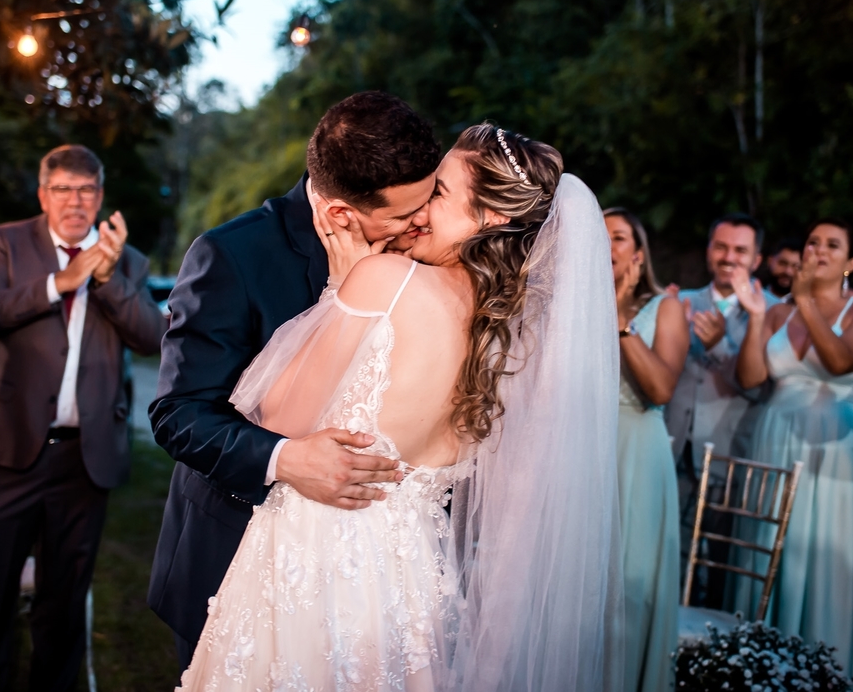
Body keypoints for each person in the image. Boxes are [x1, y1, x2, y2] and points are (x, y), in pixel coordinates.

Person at [179, 124, 623, 691]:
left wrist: (339, 295)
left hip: (316, 563)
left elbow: (274, 420)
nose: (419, 211)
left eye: (438, 193)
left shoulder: (384, 281)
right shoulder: (514, 344)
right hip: (411, 584)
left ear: (490, 216)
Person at [148, 91, 439, 670]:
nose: (423, 220)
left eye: (429, 200)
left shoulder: (422, 254)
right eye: (406, 214)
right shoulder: (233, 256)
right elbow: (179, 413)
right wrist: (285, 458)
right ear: (341, 214)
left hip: (361, 569)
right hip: (236, 550)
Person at [0, 145, 166, 692]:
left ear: (100, 197)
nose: (75, 201)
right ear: (43, 195)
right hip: (6, 451)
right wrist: (64, 280)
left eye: (86, 190)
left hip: (84, 457)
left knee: (64, 601)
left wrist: (105, 279)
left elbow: (151, 336)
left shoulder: (127, 260)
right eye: (63, 189)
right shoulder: (7, 242)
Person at [731, 218, 853, 689]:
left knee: (826, 562)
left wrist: (805, 299)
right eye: (813, 242)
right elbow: (750, 378)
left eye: (832, 245)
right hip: (776, 441)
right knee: (773, 556)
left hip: (838, 455)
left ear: (851, 262)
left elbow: (840, 360)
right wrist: (756, 317)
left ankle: (827, 674)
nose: (819, 250)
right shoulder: (777, 312)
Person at [664, 212, 778, 607]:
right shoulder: (680, 301)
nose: (729, 257)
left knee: (721, 571)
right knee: (668, 560)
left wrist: (719, 345)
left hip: (730, 456)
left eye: (740, 250)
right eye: (721, 247)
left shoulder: (773, 310)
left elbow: (760, 388)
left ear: (757, 259)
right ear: (709, 250)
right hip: (673, 449)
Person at [604, 208, 686, 692]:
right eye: (598, 235)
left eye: (618, 237)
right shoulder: (569, 303)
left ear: (639, 254)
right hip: (587, 452)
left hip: (638, 449)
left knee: (630, 584)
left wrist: (618, 317)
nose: (606, 245)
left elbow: (660, 389)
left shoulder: (666, 307)